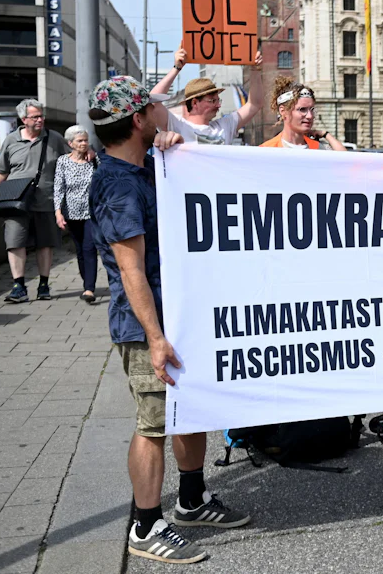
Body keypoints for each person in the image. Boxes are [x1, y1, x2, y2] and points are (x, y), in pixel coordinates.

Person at [87, 76, 251, 564]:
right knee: (154, 422)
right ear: (137, 119)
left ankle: (193, 499)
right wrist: (156, 339)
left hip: (180, 316)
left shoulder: (146, 165)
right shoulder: (117, 184)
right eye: (153, 107)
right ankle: (144, 524)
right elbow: (131, 270)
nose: (163, 111)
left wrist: (178, 153)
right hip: (146, 326)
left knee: (189, 409)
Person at [0, 99, 71, 303]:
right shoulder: (11, 140)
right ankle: (19, 286)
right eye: (35, 117)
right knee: (15, 242)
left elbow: (70, 161)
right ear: (23, 119)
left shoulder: (54, 138)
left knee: (45, 243)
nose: (40, 120)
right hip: (15, 199)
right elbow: (2, 172)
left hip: (47, 199)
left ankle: (44, 284)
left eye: (41, 116)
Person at [152, 46, 265, 145]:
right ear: (195, 102)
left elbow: (254, 104)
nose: (218, 105)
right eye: (212, 101)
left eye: (218, 100)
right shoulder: (177, 125)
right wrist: (177, 68)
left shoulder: (225, 126)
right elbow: (152, 101)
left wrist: (255, 70)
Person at [53, 125, 102, 304]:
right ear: (70, 143)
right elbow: (59, 188)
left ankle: (90, 289)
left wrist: (94, 154)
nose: (84, 143)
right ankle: (86, 281)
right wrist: (58, 212)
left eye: (85, 140)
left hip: (91, 212)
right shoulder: (63, 162)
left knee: (90, 248)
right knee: (80, 250)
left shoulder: (94, 160)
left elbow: (105, 175)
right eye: (80, 141)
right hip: (71, 213)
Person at [258, 78, 347, 150]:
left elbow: (346, 163)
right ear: (283, 111)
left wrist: (326, 134)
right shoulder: (268, 149)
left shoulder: (318, 149)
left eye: (312, 109)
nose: (310, 116)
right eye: (302, 109)